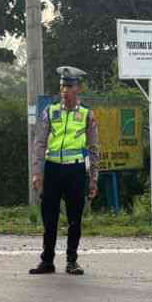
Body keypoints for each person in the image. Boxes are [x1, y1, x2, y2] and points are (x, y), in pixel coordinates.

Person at [32, 66, 101, 275]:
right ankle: (47, 261)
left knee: (74, 218)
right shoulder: (50, 111)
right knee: (49, 217)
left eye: (69, 86)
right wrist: (37, 172)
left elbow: (94, 148)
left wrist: (93, 179)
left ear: (78, 88)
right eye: (62, 86)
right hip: (52, 170)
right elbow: (39, 143)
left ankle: (72, 260)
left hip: (76, 172)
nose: (65, 90)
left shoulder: (87, 114)